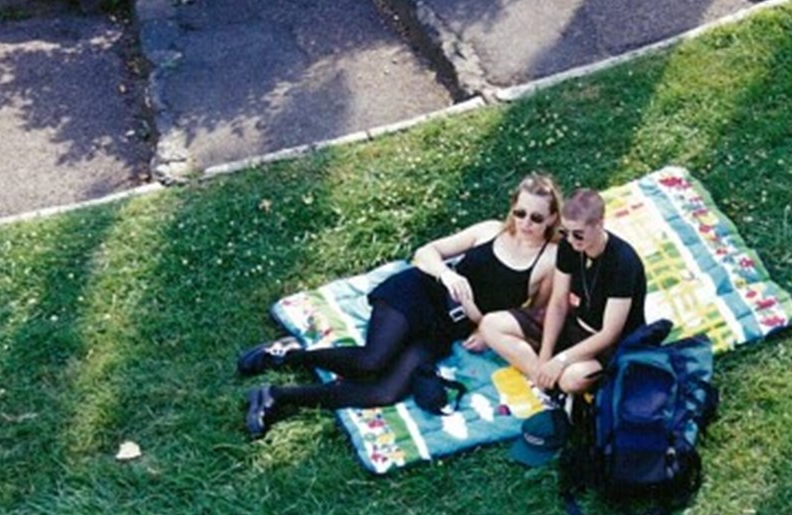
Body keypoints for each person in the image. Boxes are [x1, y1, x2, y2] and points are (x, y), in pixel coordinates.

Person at [239, 173, 563, 438]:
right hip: (420, 292)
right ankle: (284, 354)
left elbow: (532, 316)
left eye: (536, 217)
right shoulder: (489, 231)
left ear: (551, 219)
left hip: (446, 328)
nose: (525, 223)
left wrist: (484, 325)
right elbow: (426, 253)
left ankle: (275, 395)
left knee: (385, 392)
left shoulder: (548, 260)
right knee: (371, 361)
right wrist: (446, 276)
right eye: (520, 212)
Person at [480, 187, 647, 395]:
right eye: (565, 232)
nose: (570, 240)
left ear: (600, 225)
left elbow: (610, 333)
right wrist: (545, 353)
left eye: (578, 234)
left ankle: (555, 384)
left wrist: (561, 359)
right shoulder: (569, 246)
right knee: (490, 325)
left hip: (606, 345)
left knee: (572, 379)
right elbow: (558, 301)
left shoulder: (623, 262)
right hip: (573, 323)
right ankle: (544, 381)